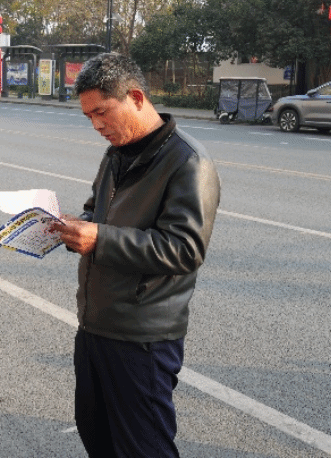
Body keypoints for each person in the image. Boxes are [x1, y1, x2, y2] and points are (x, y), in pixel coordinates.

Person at [51, 53, 221, 458]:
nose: (97, 125)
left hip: (143, 337)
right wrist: (74, 226)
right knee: (98, 436)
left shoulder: (188, 162)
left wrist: (100, 239)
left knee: (144, 448)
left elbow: (185, 249)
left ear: (137, 98)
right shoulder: (117, 153)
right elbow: (98, 211)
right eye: (88, 116)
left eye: (102, 112)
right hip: (95, 324)